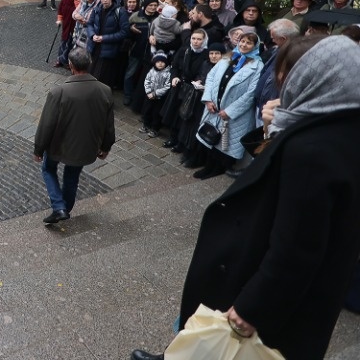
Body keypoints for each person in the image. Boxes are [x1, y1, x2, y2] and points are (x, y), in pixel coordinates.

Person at [132, 35, 360, 360]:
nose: (279, 81)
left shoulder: (312, 148)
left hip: (260, 276)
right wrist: (272, 129)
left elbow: (297, 247)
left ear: (319, 80)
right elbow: (259, 159)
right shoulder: (330, 125)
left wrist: (252, 308)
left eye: (289, 73)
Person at [33, 47, 115, 224]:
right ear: (90, 63)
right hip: (85, 147)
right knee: (72, 176)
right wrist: (106, 147)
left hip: (58, 145)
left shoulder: (58, 92)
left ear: (70, 65)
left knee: (48, 169)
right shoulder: (105, 90)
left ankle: (59, 207)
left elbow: (47, 124)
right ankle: (65, 208)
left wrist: (38, 148)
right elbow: (109, 126)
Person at [192, 30, 263, 179]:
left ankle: (217, 168)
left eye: (248, 42)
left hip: (233, 113)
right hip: (214, 106)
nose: (244, 44)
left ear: (255, 46)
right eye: (242, 41)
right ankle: (207, 165)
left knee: (225, 143)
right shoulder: (228, 57)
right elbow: (211, 77)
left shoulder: (257, 66)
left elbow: (251, 94)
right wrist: (208, 99)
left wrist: (230, 111)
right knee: (211, 137)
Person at [139, 52, 171, 138]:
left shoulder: (168, 73)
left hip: (159, 98)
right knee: (147, 110)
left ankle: (155, 129)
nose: (160, 63)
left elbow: (167, 87)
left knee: (156, 114)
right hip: (149, 96)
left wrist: (155, 93)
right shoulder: (151, 71)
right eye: (158, 62)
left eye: (162, 62)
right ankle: (146, 125)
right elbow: (147, 81)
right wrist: (148, 92)